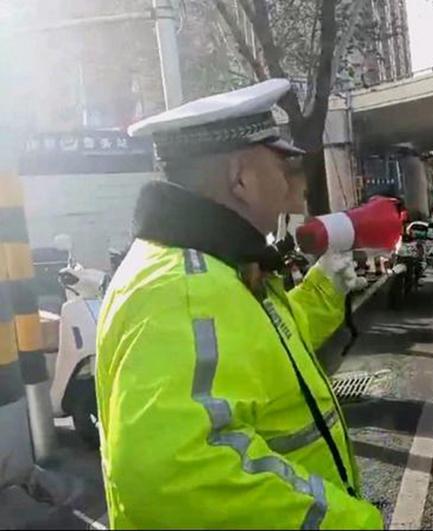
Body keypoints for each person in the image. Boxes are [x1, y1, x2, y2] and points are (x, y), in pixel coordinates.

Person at [95, 79, 384, 529]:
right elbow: (173, 474)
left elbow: (260, 351)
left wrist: (324, 290)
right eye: (280, 166)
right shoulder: (184, 290)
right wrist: (351, 524)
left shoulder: (207, 267)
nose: (288, 185)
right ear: (241, 179)